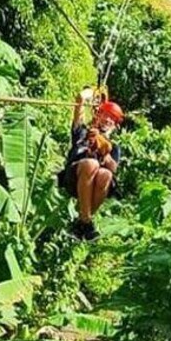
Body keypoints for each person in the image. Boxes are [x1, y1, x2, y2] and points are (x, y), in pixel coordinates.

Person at [62, 90, 125, 241]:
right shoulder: (82, 131)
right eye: (106, 115)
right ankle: (87, 222)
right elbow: (80, 99)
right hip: (74, 176)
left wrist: (105, 150)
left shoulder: (113, 147)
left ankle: (83, 222)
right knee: (91, 164)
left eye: (113, 119)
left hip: (95, 186)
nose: (108, 120)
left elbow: (112, 168)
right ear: (98, 114)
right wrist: (95, 92)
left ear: (115, 126)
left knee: (106, 175)